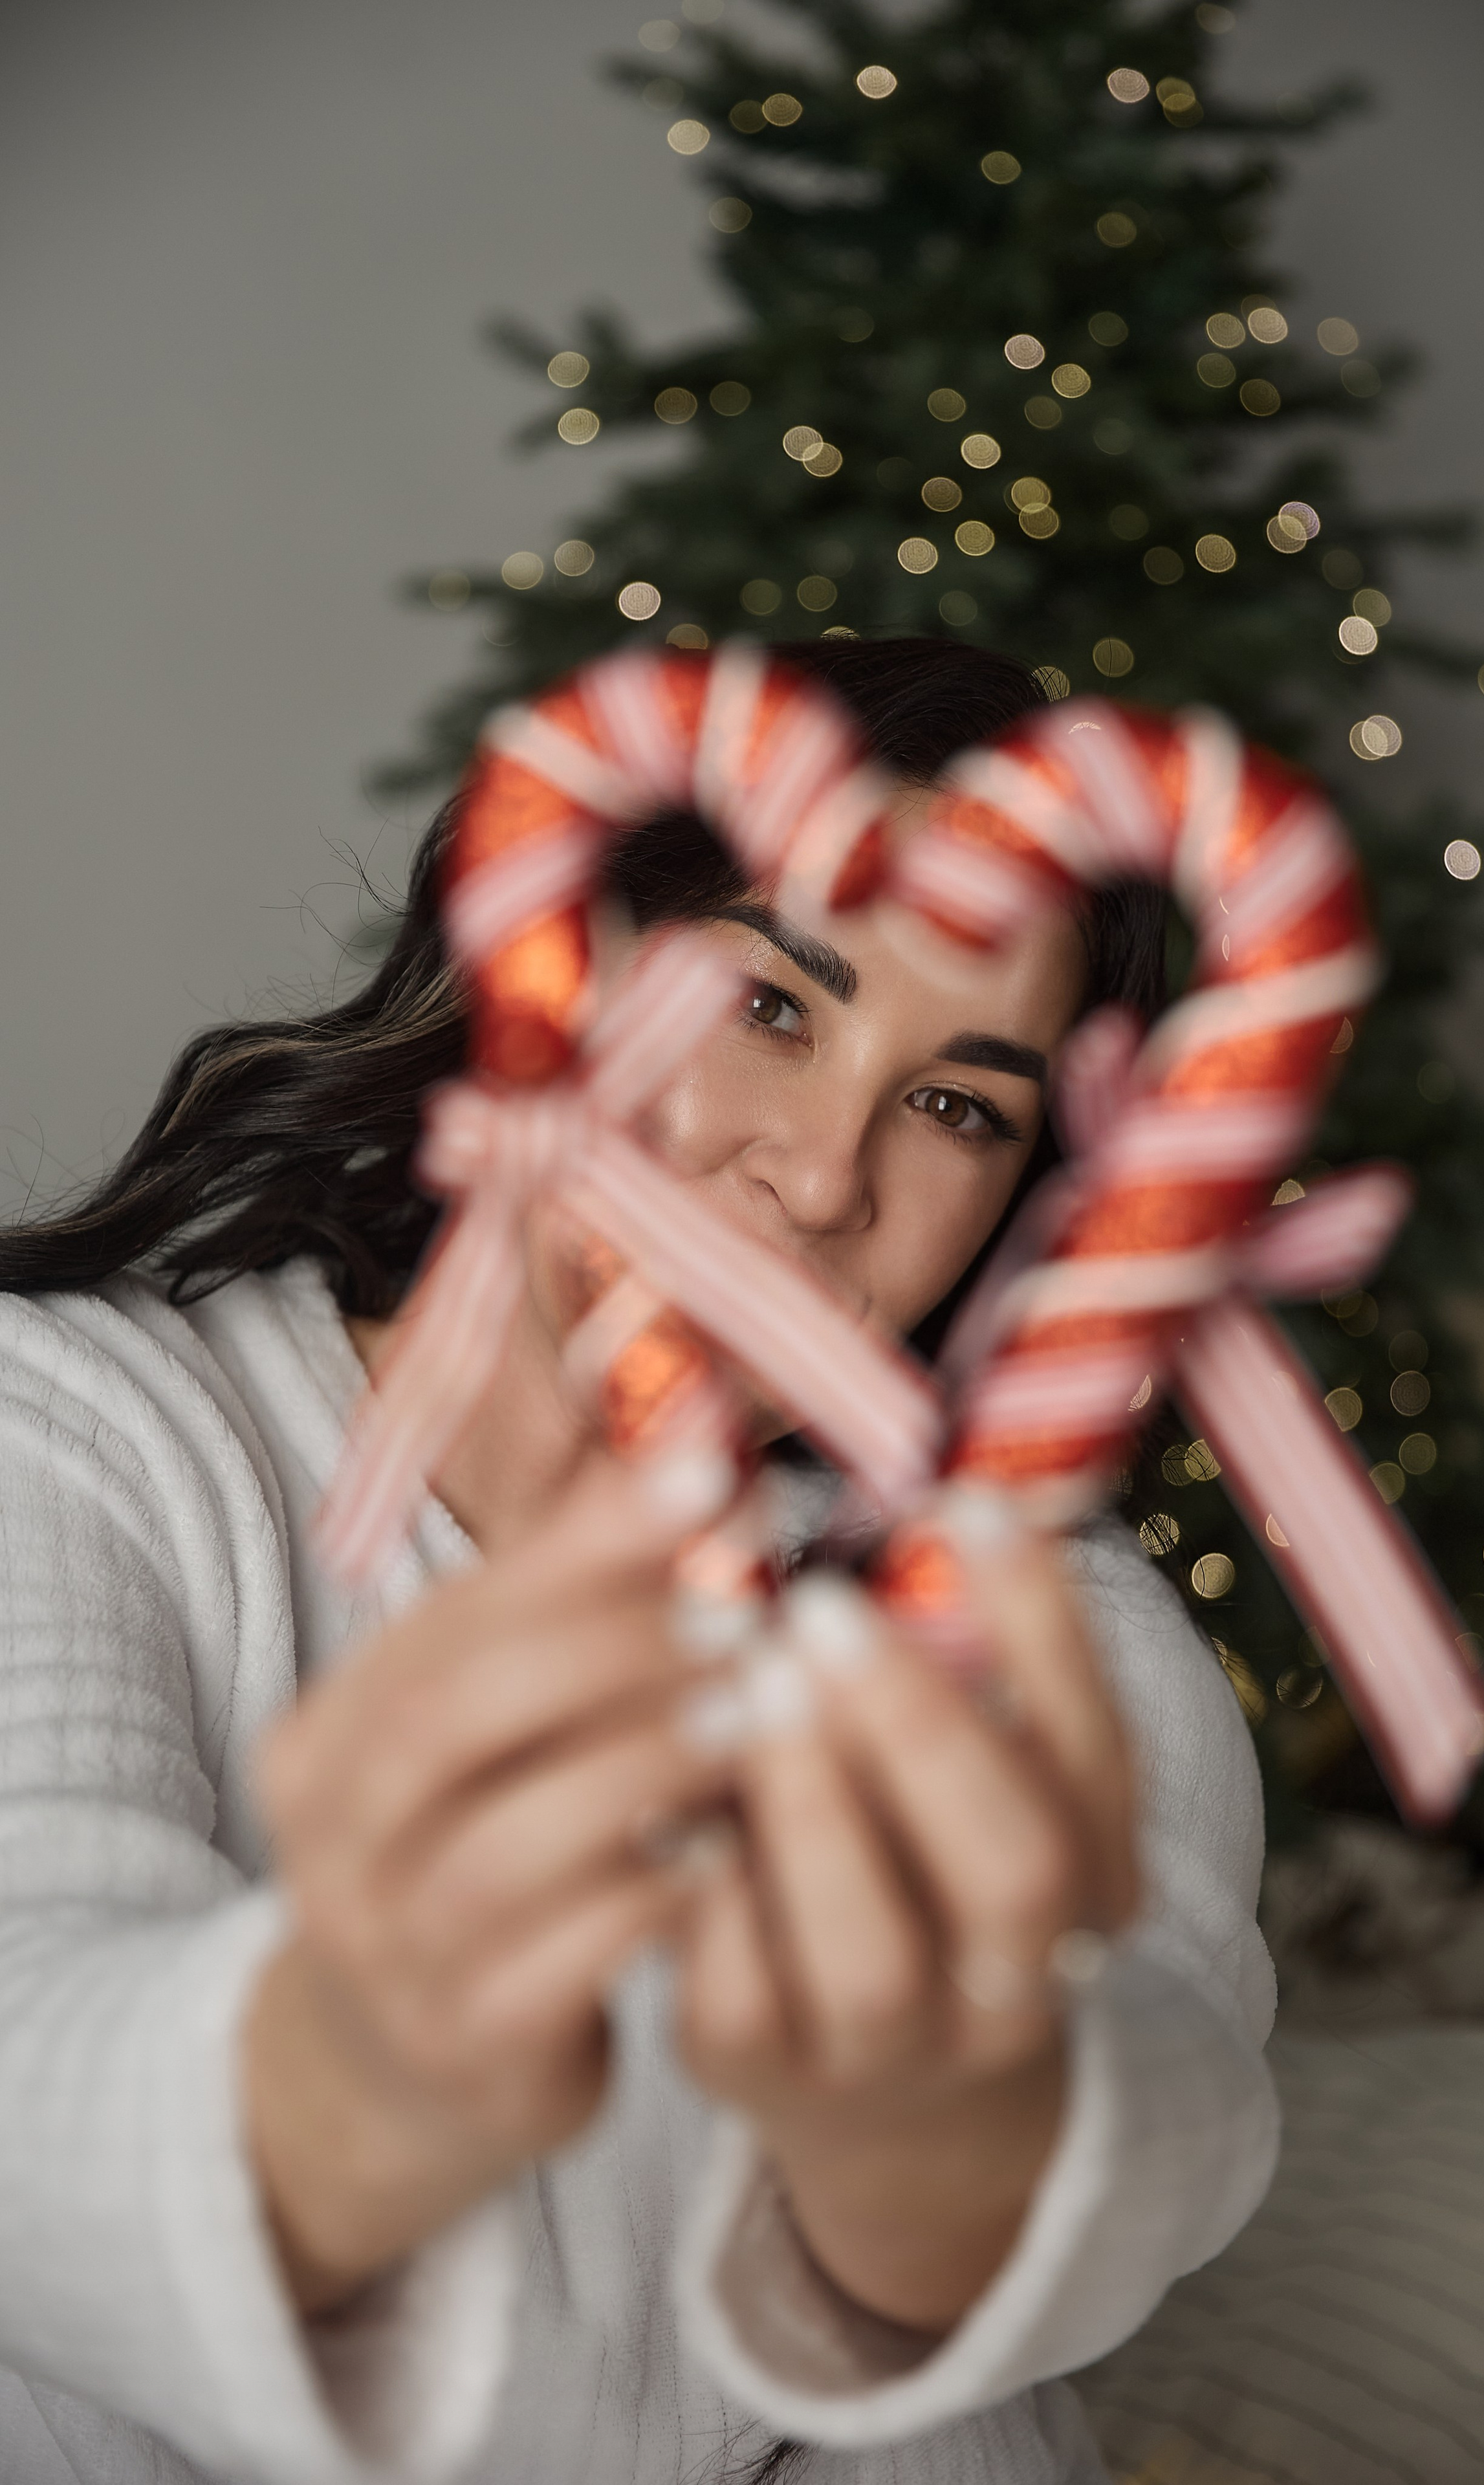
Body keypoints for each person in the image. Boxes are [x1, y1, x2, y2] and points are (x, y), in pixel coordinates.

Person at [0, 637, 1278, 2485]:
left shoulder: (1043, 1622)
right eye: (773, 1005)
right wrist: (375, 2050)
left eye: (956, 1107)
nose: (825, 1178)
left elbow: (1151, 2121)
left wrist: (940, 2115)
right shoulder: (78, 1431)